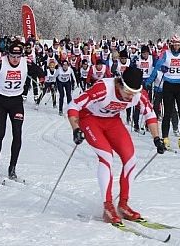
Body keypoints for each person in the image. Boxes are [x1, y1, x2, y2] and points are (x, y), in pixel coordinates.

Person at [67, 67, 166, 225]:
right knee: (106, 156)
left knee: (130, 158)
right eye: (127, 91)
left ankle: (123, 204)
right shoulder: (104, 88)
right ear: (120, 84)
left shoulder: (137, 95)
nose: (130, 96)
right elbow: (74, 105)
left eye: (134, 92)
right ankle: (108, 206)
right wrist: (76, 129)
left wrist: (157, 139)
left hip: (112, 121)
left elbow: (150, 114)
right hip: (90, 119)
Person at [0, 42, 45, 180]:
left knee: (17, 134)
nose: (15, 59)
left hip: (16, 102)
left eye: (18, 56)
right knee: (0, 133)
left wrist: (42, 79)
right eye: (12, 56)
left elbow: (39, 71)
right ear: (8, 54)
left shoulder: (26, 62)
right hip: (0, 101)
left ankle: (12, 168)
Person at [146, 35, 180, 150]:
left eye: (178, 44)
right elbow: (157, 66)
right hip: (168, 85)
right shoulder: (165, 53)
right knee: (167, 112)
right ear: (171, 44)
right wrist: (151, 79)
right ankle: (165, 138)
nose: (176, 46)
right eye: (175, 44)